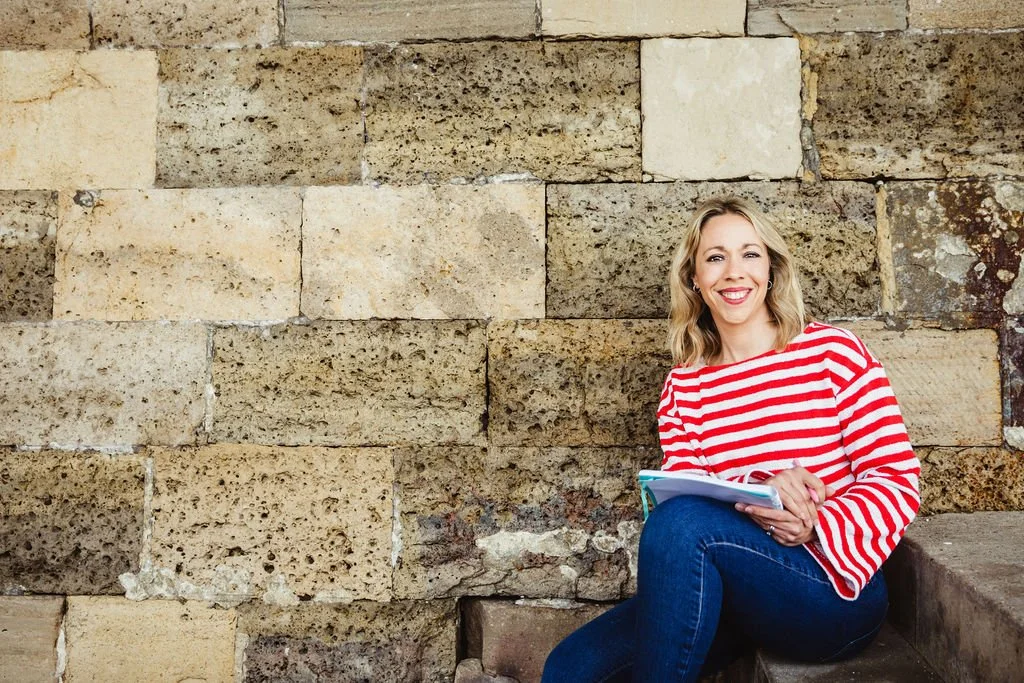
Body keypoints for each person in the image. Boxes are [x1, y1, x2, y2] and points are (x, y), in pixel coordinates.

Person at [541, 196, 920, 682]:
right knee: (570, 668)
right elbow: (686, 498)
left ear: (771, 269)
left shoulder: (833, 353)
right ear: (694, 279)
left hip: (832, 594)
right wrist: (763, 485)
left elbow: (897, 478)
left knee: (680, 525)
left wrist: (816, 523)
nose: (734, 272)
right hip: (735, 592)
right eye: (716, 257)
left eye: (750, 254)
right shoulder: (686, 387)